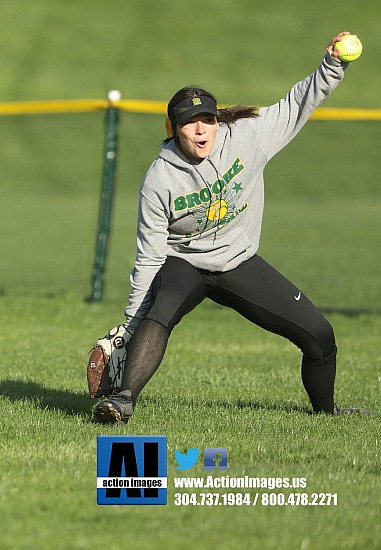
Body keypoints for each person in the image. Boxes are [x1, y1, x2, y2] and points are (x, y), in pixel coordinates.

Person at [90, 32, 364, 424]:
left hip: (238, 263)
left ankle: (327, 414)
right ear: (173, 128)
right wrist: (131, 325)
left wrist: (334, 64)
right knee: (159, 313)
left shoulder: (250, 137)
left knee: (320, 336)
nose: (201, 130)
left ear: (217, 121)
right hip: (183, 263)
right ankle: (123, 400)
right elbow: (149, 255)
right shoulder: (160, 180)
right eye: (189, 122)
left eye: (207, 119)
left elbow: (300, 101)